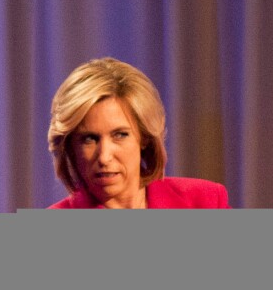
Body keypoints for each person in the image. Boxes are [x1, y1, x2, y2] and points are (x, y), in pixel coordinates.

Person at [47, 58, 230, 209]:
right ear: (70, 147)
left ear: (143, 138)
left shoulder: (204, 202)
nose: (104, 157)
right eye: (89, 139)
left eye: (120, 135)